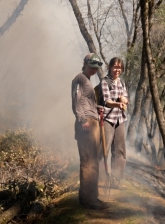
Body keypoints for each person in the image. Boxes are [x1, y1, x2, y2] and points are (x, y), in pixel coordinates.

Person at [71, 53, 109, 210]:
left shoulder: (87, 80)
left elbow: (87, 102)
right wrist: (82, 120)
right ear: (85, 64)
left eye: (96, 68)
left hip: (92, 121)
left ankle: (90, 196)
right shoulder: (79, 79)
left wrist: (97, 109)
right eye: (92, 66)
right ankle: (88, 199)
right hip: (86, 123)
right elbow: (76, 100)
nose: (94, 70)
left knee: (93, 160)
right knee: (88, 161)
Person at [99, 57, 129, 189]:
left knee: (120, 151)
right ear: (110, 67)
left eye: (119, 68)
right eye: (115, 67)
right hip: (108, 119)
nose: (117, 70)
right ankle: (101, 179)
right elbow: (106, 101)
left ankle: (117, 180)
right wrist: (119, 103)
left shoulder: (121, 83)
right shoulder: (105, 82)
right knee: (103, 149)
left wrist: (124, 100)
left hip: (120, 119)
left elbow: (126, 98)